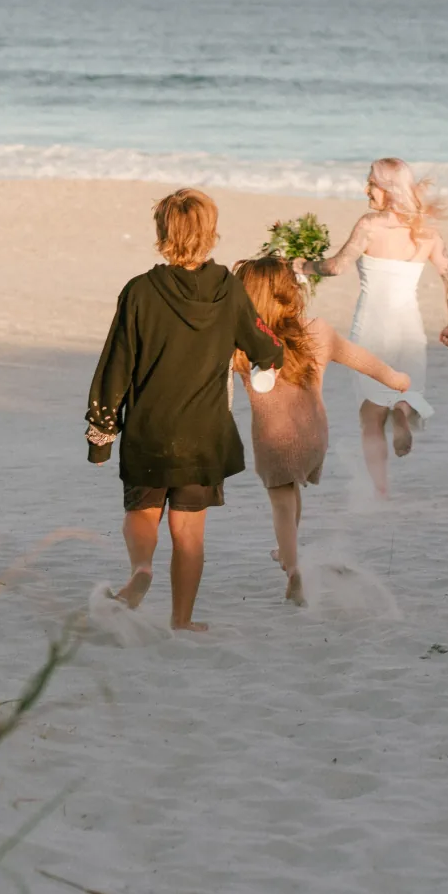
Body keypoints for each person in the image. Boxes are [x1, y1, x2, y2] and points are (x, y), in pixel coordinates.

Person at [85, 188, 282, 632]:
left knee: (141, 513)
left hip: (149, 431)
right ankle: (183, 620)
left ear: (162, 232)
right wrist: (272, 359)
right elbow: (263, 345)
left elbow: (115, 366)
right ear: (211, 233)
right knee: (189, 533)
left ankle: (140, 571)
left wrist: (100, 437)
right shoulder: (228, 290)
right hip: (204, 434)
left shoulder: (138, 292)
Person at [230, 255, 409, 604]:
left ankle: (292, 567)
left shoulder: (241, 344)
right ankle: (288, 552)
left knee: (281, 501)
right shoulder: (319, 332)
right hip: (313, 436)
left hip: (273, 438)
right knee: (293, 489)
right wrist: (397, 379)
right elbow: (362, 360)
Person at [315, 158, 448, 498]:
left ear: (388, 189)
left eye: (371, 183)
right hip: (408, 327)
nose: (366, 189)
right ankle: (403, 410)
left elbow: (336, 267)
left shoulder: (370, 224)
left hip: (371, 327)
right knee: (403, 390)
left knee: (369, 417)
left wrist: (300, 265)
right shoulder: (427, 232)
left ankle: (381, 490)